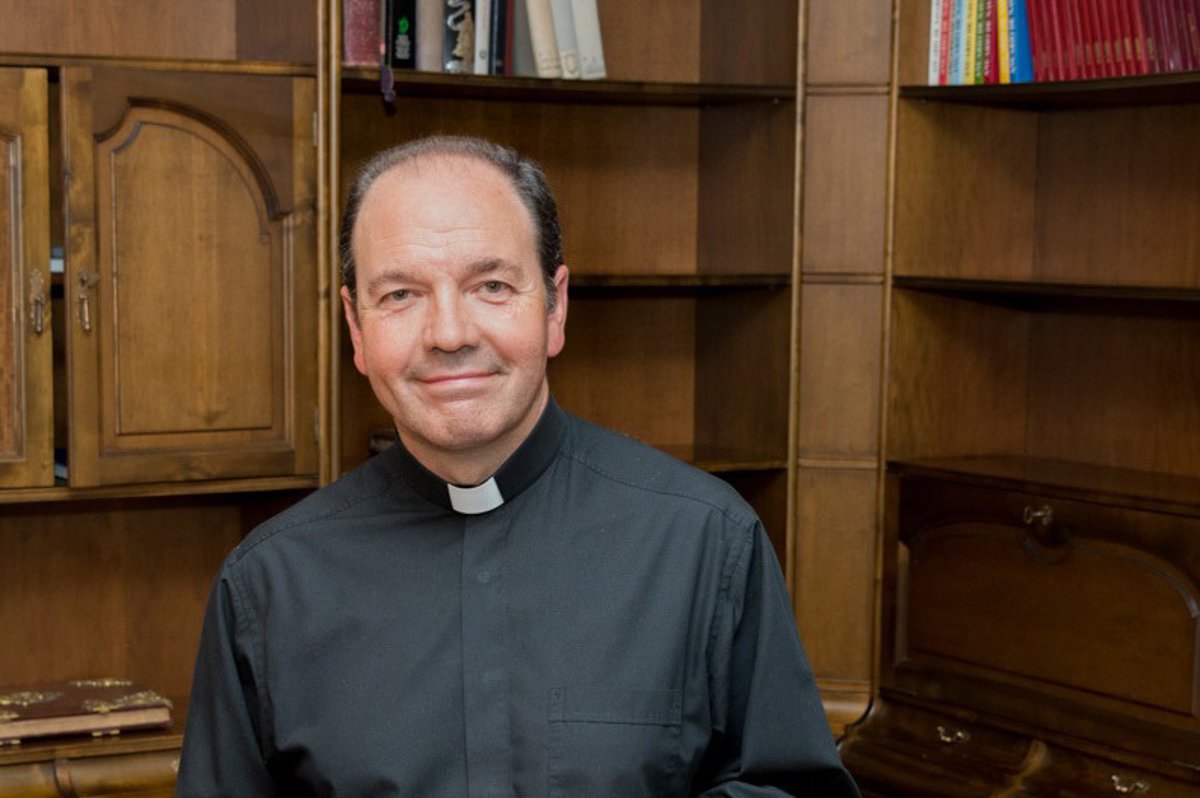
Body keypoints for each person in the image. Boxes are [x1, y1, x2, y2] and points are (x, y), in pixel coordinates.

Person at [175, 135, 860, 797]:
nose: (449, 334)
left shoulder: (706, 542)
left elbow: (789, 788)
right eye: (401, 295)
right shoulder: (267, 586)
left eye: (492, 286)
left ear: (556, 307)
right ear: (356, 328)